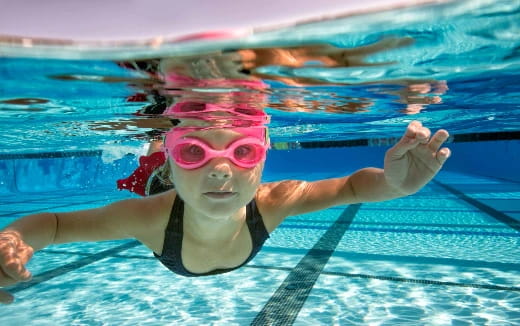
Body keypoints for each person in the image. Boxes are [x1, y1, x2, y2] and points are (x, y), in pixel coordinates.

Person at [0, 118, 451, 304]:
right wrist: (16, 239)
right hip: (162, 185)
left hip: (177, 181)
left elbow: (352, 186)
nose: (221, 170)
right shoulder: (149, 216)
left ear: (263, 161)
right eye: (196, 151)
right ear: (179, 167)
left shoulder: (275, 201)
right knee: (150, 163)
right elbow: (55, 225)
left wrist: (394, 183)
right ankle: (162, 150)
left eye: (243, 151)